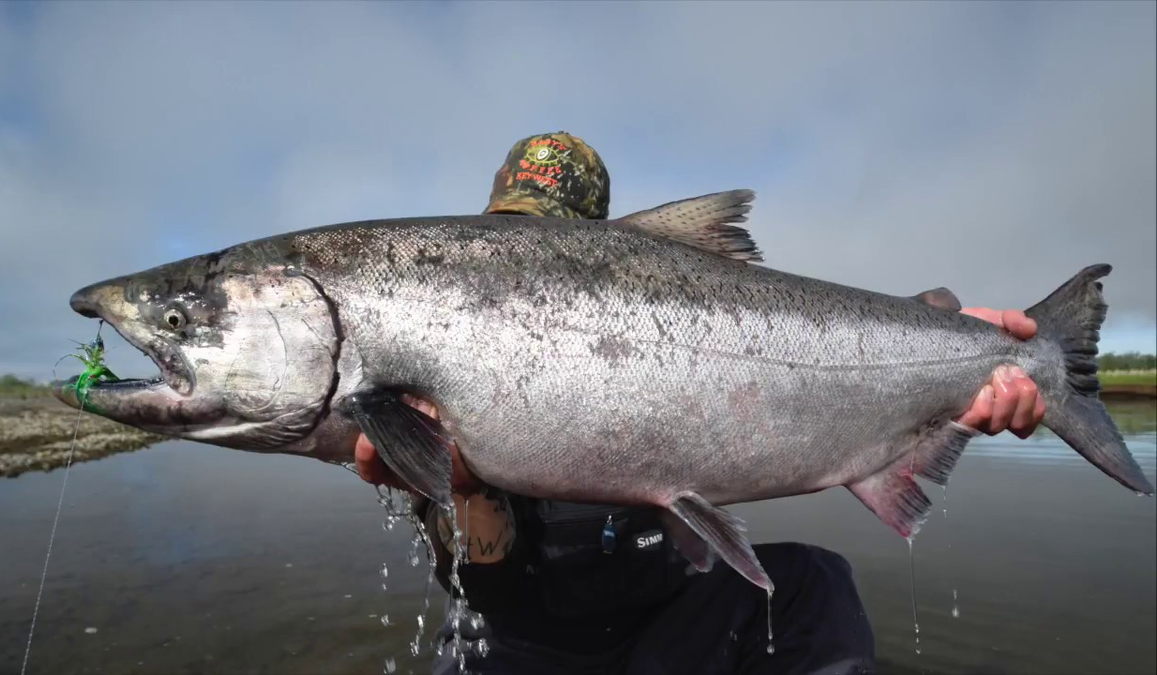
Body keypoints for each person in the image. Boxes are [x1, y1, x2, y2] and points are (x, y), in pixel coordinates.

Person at [354, 132, 1046, 675]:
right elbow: (486, 586)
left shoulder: (653, 330)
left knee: (815, 586)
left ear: (598, 245)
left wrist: (952, 349)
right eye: (509, 239)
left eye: (545, 241)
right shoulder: (440, 358)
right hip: (525, 647)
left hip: (662, 629)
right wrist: (464, 488)